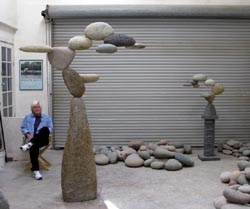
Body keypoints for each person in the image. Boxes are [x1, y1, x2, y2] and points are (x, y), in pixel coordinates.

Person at [20, 100, 53, 180]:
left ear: (40, 108)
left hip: (43, 140)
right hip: (31, 139)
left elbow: (51, 128)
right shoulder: (27, 117)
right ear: (32, 109)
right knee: (34, 147)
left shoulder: (47, 117)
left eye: (38, 107)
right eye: (35, 107)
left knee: (45, 129)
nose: (37, 108)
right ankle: (36, 171)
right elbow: (23, 128)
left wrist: (42, 132)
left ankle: (29, 144)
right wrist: (27, 134)